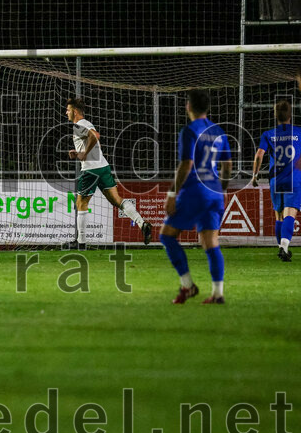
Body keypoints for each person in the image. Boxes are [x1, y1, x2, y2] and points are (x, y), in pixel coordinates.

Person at [161, 89, 232, 305]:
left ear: (188, 106)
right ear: (207, 108)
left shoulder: (189, 130)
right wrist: (222, 189)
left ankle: (188, 286)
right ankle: (218, 294)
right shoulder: (218, 131)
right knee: (211, 242)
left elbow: (187, 164)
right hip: (214, 192)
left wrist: (172, 193)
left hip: (195, 190)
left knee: (167, 235)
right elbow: (227, 165)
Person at [65, 97, 153, 247]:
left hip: (91, 170)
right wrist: (79, 153)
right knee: (116, 200)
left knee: (81, 203)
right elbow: (92, 139)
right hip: (103, 167)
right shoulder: (85, 124)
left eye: (67, 110)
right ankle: (141, 223)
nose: (66, 113)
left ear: (74, 111)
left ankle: (81, 243)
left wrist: (85, 153)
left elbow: (95, 136)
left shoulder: (79, 124)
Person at [250, 100, 301, 261]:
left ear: (275, 115)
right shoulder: (299, 132)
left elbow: (259, 155)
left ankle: (281, 248)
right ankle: (284, 247)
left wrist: (255, 175)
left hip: (276, 180)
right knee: (290, 213)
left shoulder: (268, 134)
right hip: (294, 178)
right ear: (290, 115)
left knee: (279, 215)